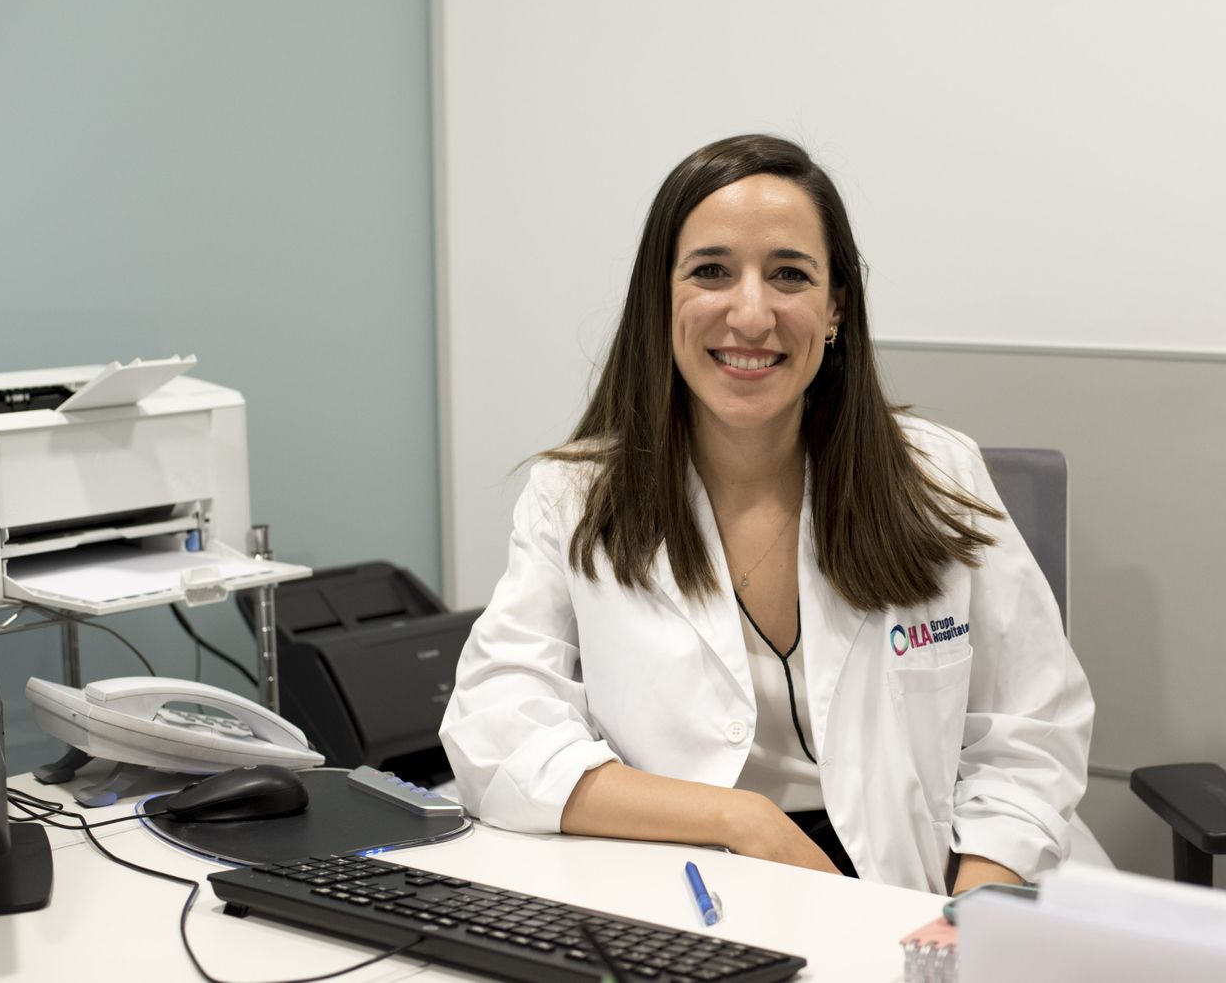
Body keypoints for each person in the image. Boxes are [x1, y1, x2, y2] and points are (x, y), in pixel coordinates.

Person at [439, 134, 1092, 895]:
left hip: (907, 889)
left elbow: (1029, 736)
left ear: (835, 307)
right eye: (711, 271)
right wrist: (737, 818)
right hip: (685, 892)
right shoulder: (576, 497)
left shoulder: (939, 476)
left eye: (789, 275)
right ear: (663, 298)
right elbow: (495, 728)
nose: (751, 315)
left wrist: (965, 916)